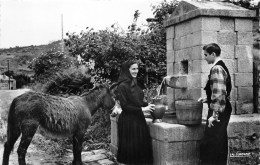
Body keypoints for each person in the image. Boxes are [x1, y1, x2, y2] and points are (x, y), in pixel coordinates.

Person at [198, 43, 232, 165]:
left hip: (219, 111)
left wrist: (215, 115)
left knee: (212, 142)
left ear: (213, 54)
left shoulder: (217, 68)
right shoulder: (221, 67)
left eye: (206, 55)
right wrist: (207, 99)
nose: (205, 58)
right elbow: (221, 91)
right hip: (222, 108)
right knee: (219, 140)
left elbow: (219, 93)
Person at [116, 60, 155, 165]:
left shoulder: (136, 84)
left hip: (138, 120)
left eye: (137, 68)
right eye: (133, 69)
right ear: (126, 70)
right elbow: (125, 107)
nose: (136, 71)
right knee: (130, 156)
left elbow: (138, 102)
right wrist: (142, 109)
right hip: (128, 123)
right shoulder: (122, 86)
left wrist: (148, 105)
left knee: (140, 151)